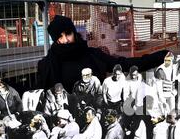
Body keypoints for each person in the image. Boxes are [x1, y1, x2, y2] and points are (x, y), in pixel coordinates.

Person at [37, 15, 170, 93]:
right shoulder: (48, 64)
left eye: (68, 34)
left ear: (74, 32)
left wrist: (159, 56)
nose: (65, 40)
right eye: (60, 37)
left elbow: (123, 64)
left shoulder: (92, 55)